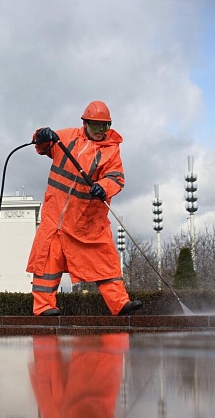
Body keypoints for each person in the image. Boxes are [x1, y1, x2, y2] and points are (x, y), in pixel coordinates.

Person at [27, 100, 142, 316]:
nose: (100, 130)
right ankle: (43, 307)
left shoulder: (111, 151)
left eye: (105, 126)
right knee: (46, 263)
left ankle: (120, 304)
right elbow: (41, 146)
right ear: (85, 123)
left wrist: (102, 187)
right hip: (55, 219)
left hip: (87, 221)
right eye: (96, 125)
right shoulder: (67, 137)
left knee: (105, 259)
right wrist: (41, 134)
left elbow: (116, 177)